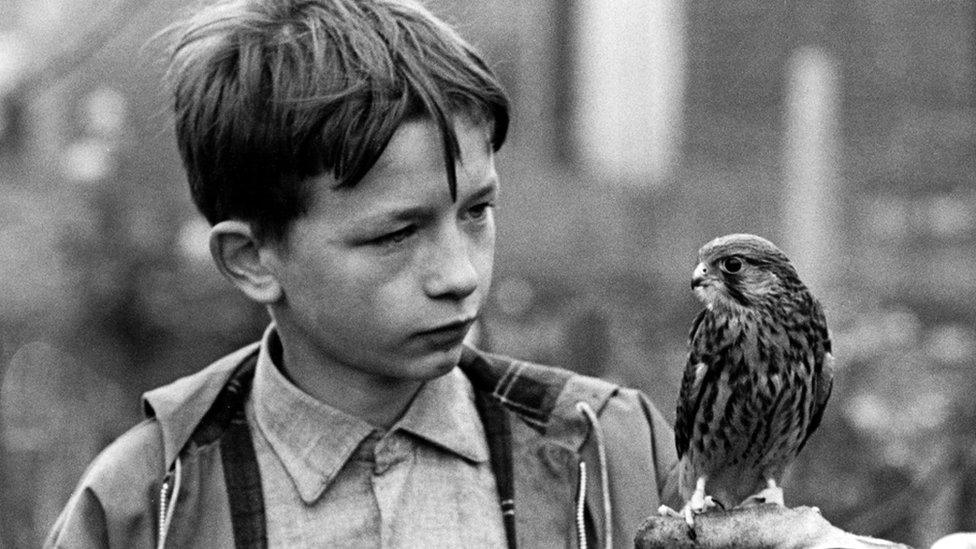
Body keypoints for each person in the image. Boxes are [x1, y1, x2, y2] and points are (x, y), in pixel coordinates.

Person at [44, 1, 905, 548]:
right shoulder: (145, 504)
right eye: (395, 235)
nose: (458, 274)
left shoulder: (607, 451)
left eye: (478, 212)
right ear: (252, 257)